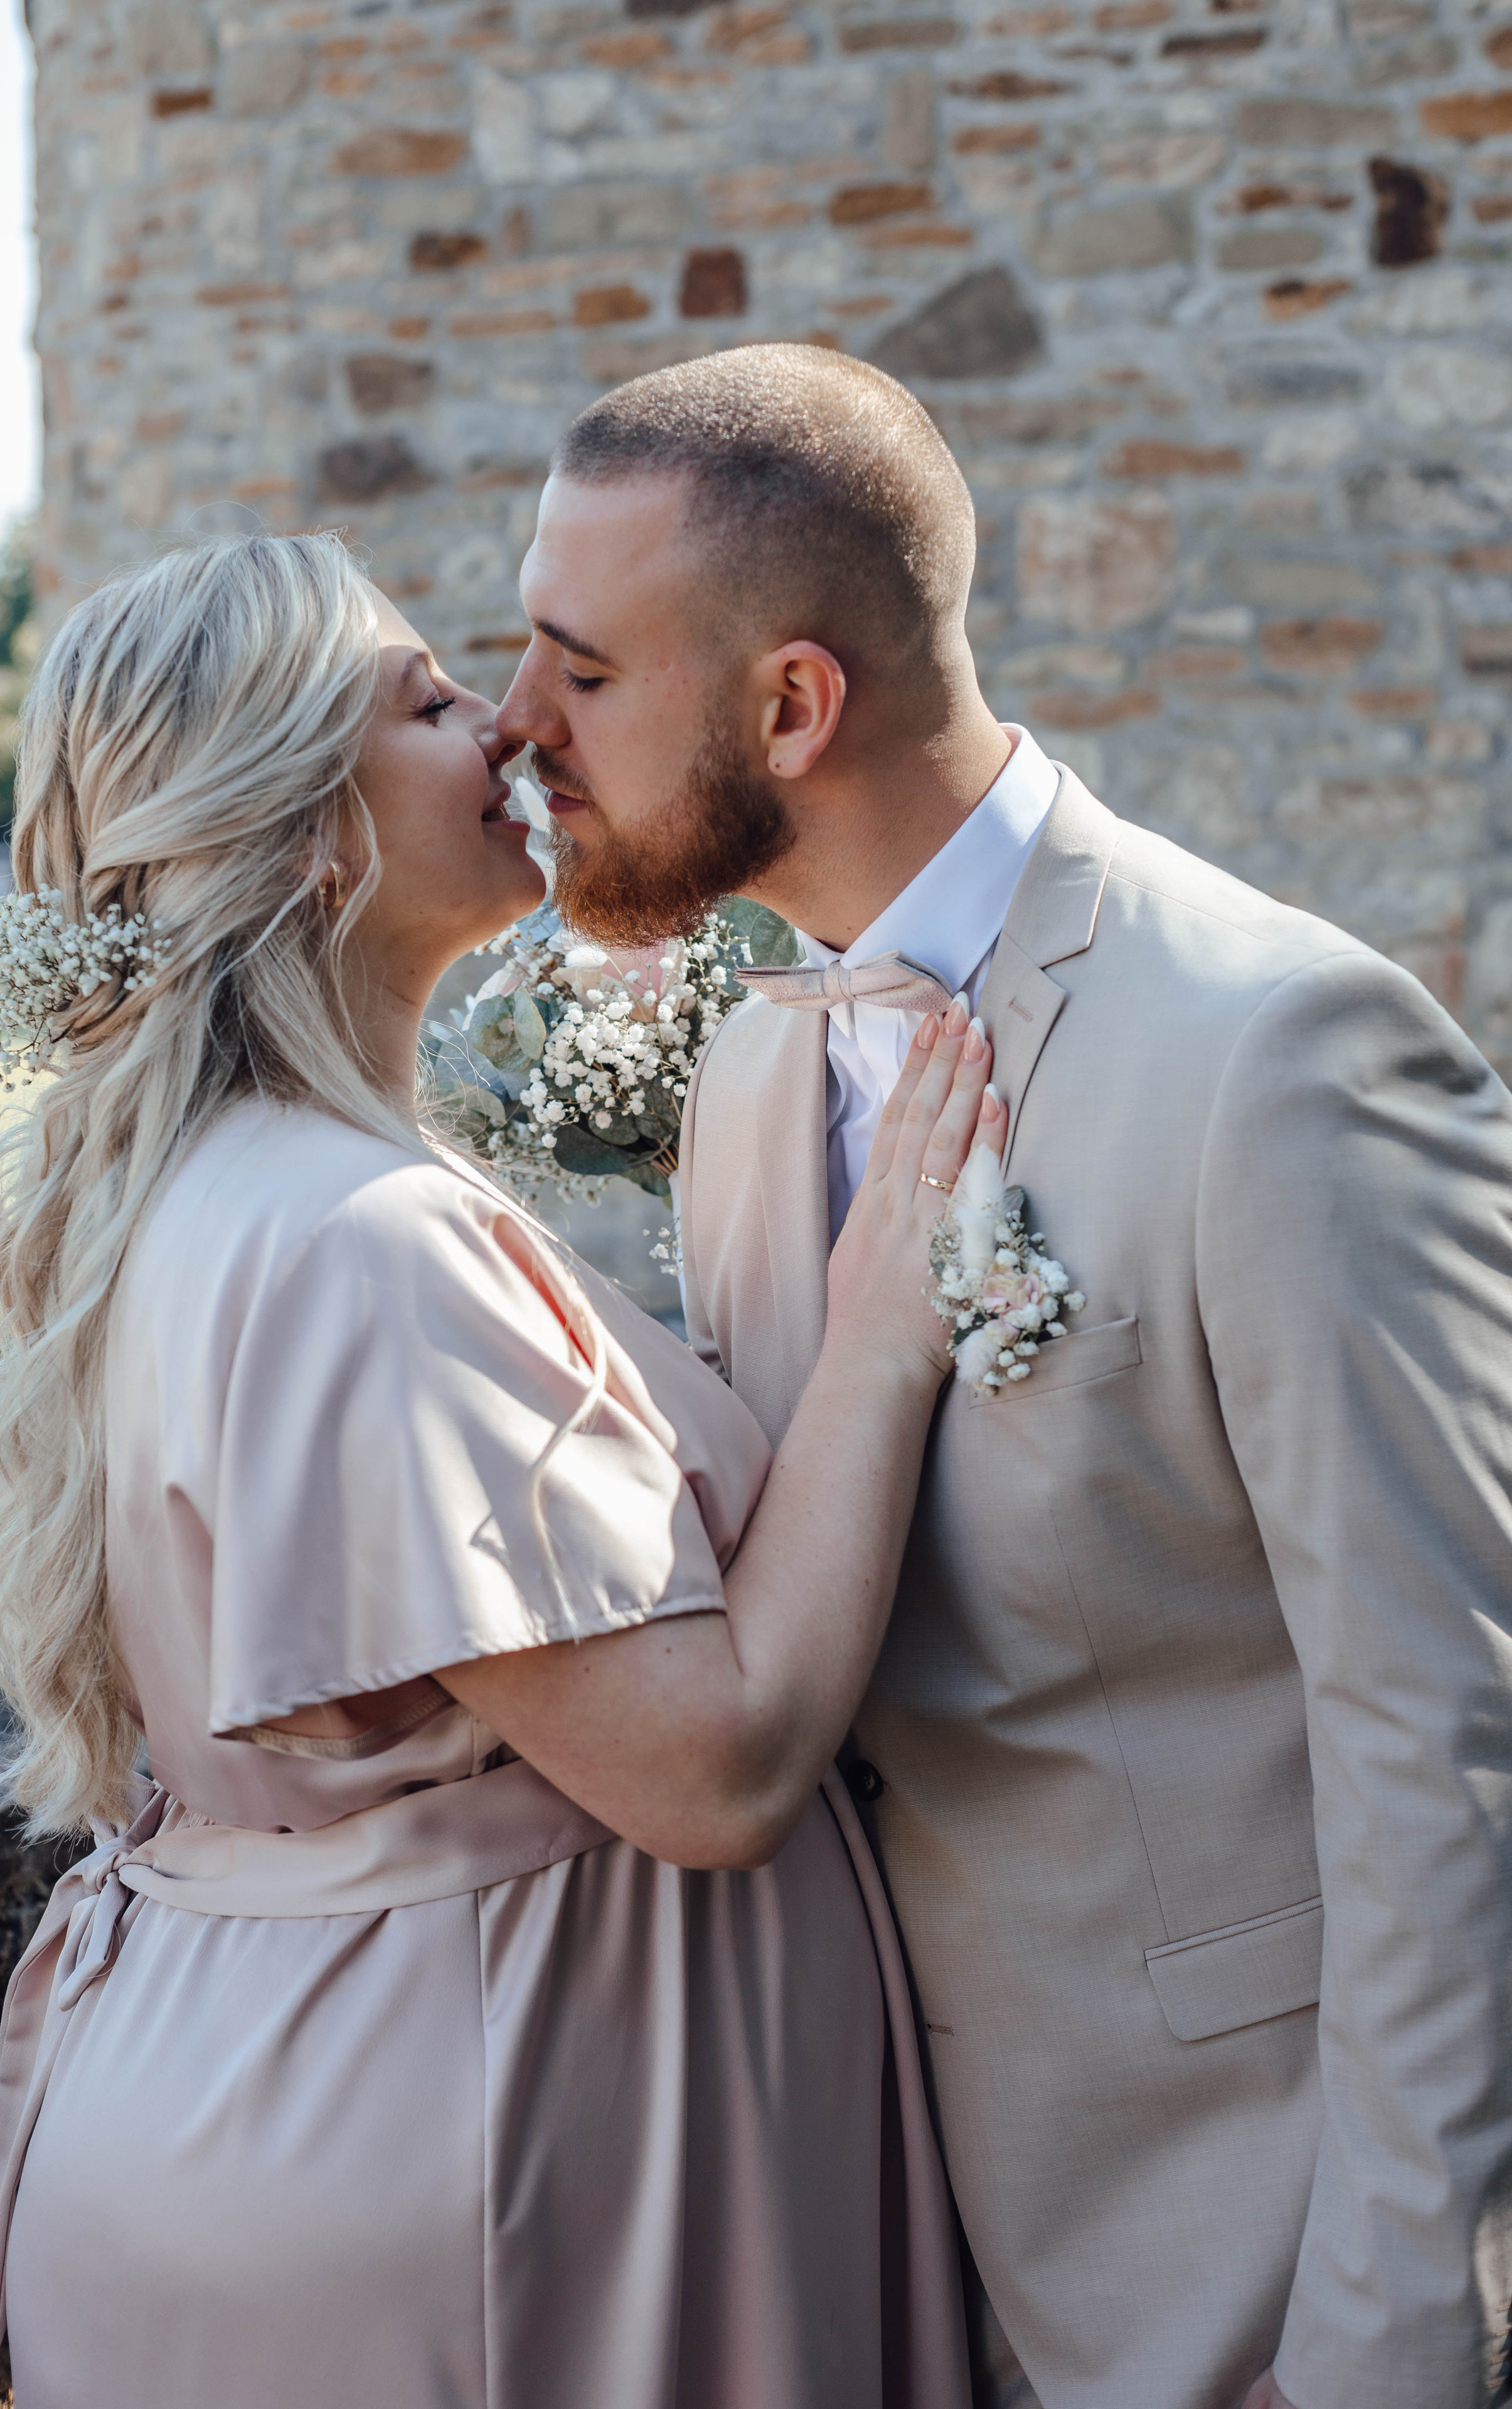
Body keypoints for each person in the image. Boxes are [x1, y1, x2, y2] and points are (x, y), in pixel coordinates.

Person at [495, 344, 1512, 2409]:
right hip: (866, 2252)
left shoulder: (1283, 1059)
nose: (517, 728)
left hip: (1245, 2262)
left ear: (792, 704)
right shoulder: (756, 1058)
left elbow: (1454, 1753)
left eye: (579, 673)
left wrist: (1395, 2340)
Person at [0, 531, 1006, 2407]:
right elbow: (718, 1761)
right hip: (474, 2193)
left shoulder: (212, 1193)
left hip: (336, 2106)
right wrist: (888, 1334)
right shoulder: (362, 1243)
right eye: (428, 704)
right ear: (308, 833)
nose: (508, 723)